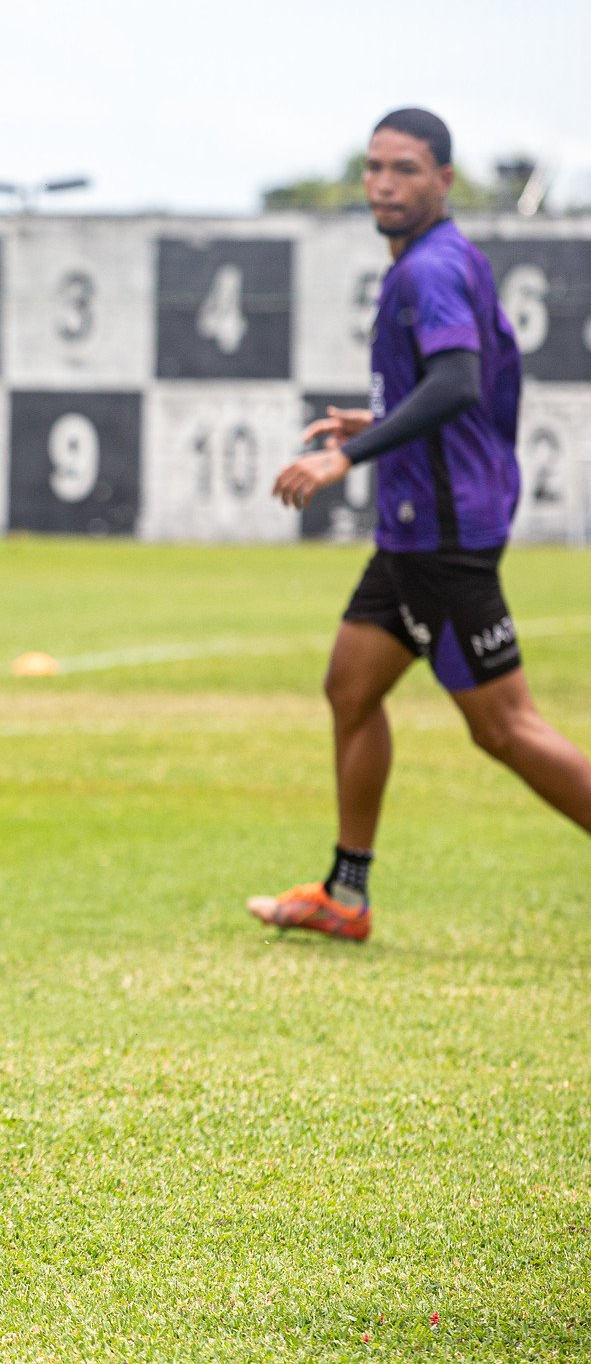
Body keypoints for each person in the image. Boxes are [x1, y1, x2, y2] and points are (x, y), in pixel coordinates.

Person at [251, 107, 591, 941]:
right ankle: (347, 893)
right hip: (412, 528)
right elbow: (446, 396)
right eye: (373, 168)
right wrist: (372, 427)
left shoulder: (428, 270)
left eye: (404, 169)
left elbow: (456, 385)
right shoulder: (441, 259)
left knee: (504, 728)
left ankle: (348, 892)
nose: (384, 184)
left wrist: (345, 459)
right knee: (350, 686)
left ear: (443, 179)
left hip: (441, 532)